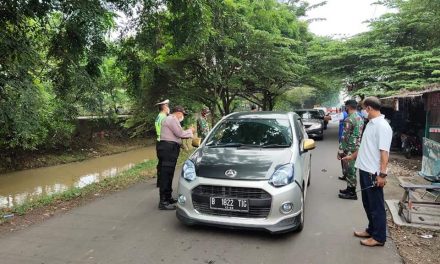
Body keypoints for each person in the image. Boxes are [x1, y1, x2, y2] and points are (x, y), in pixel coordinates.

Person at [342, 96, 392, 247]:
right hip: (364, 169)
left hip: (373, 172)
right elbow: (364, 146)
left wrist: (382, 175)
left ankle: (379, 237)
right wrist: (352, 156)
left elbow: (384, 153)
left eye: (363, 109)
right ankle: (371, 230)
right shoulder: (370, 124)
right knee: (367, 204)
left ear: (369, 108)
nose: (362, 111)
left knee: (376, 206)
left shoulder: (382, 126)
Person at [157, 106, 195, 210]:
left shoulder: (169, 119)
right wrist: (190, 130)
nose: (183, 116)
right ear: (178, 113)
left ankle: (168, 197)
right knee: (166, 174)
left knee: (169, 173)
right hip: (168, 148)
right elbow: (180, 133)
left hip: (169, 148)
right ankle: (163, 202)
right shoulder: (172, 119)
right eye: (183, 114)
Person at [337, 100, 364, 200]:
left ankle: (352, 193)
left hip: (350, 148)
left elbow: (345, 137)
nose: (345, 108)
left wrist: (341, 151)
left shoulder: (349, 119)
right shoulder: (359, 117)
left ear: (348, 107)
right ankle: (349, 188)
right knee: (351, 169)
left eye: (346, 106)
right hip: (356, 147)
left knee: (350, 170)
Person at [154, 99, 170, 188]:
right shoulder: (164, 117)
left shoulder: (159, 116)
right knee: (165, 164)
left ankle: (159, 182)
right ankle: (163, 183)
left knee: (161, 163)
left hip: (159, 141)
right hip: (164, 141)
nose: (168, 107)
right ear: (164, 107)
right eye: (167, 106)